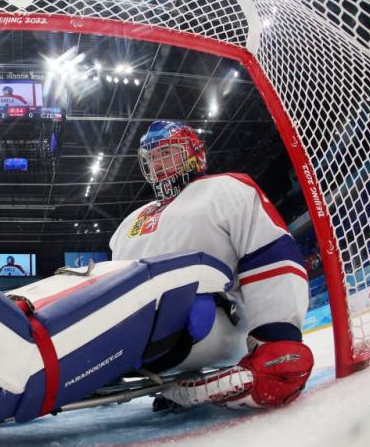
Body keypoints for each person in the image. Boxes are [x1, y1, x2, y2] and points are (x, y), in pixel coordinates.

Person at [108, 120, 313, 409]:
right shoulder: (129, 223)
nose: (158, 164)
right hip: (138, 335)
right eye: (151, 158)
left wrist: (277, 336)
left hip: (209, 319)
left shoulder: (226, 189)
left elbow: (269, 252)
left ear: (194, 154)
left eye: (166, 153)